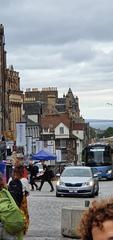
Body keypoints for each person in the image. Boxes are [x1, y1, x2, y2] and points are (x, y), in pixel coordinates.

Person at [8, 166, 30, 235]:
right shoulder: (24, 180)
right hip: (22, 200)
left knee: (14, 213)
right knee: (24, 214)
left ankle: (13, 227)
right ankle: (23, 229)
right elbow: (27, 192)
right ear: (22, 172)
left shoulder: (10, 179)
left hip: (12, 199)